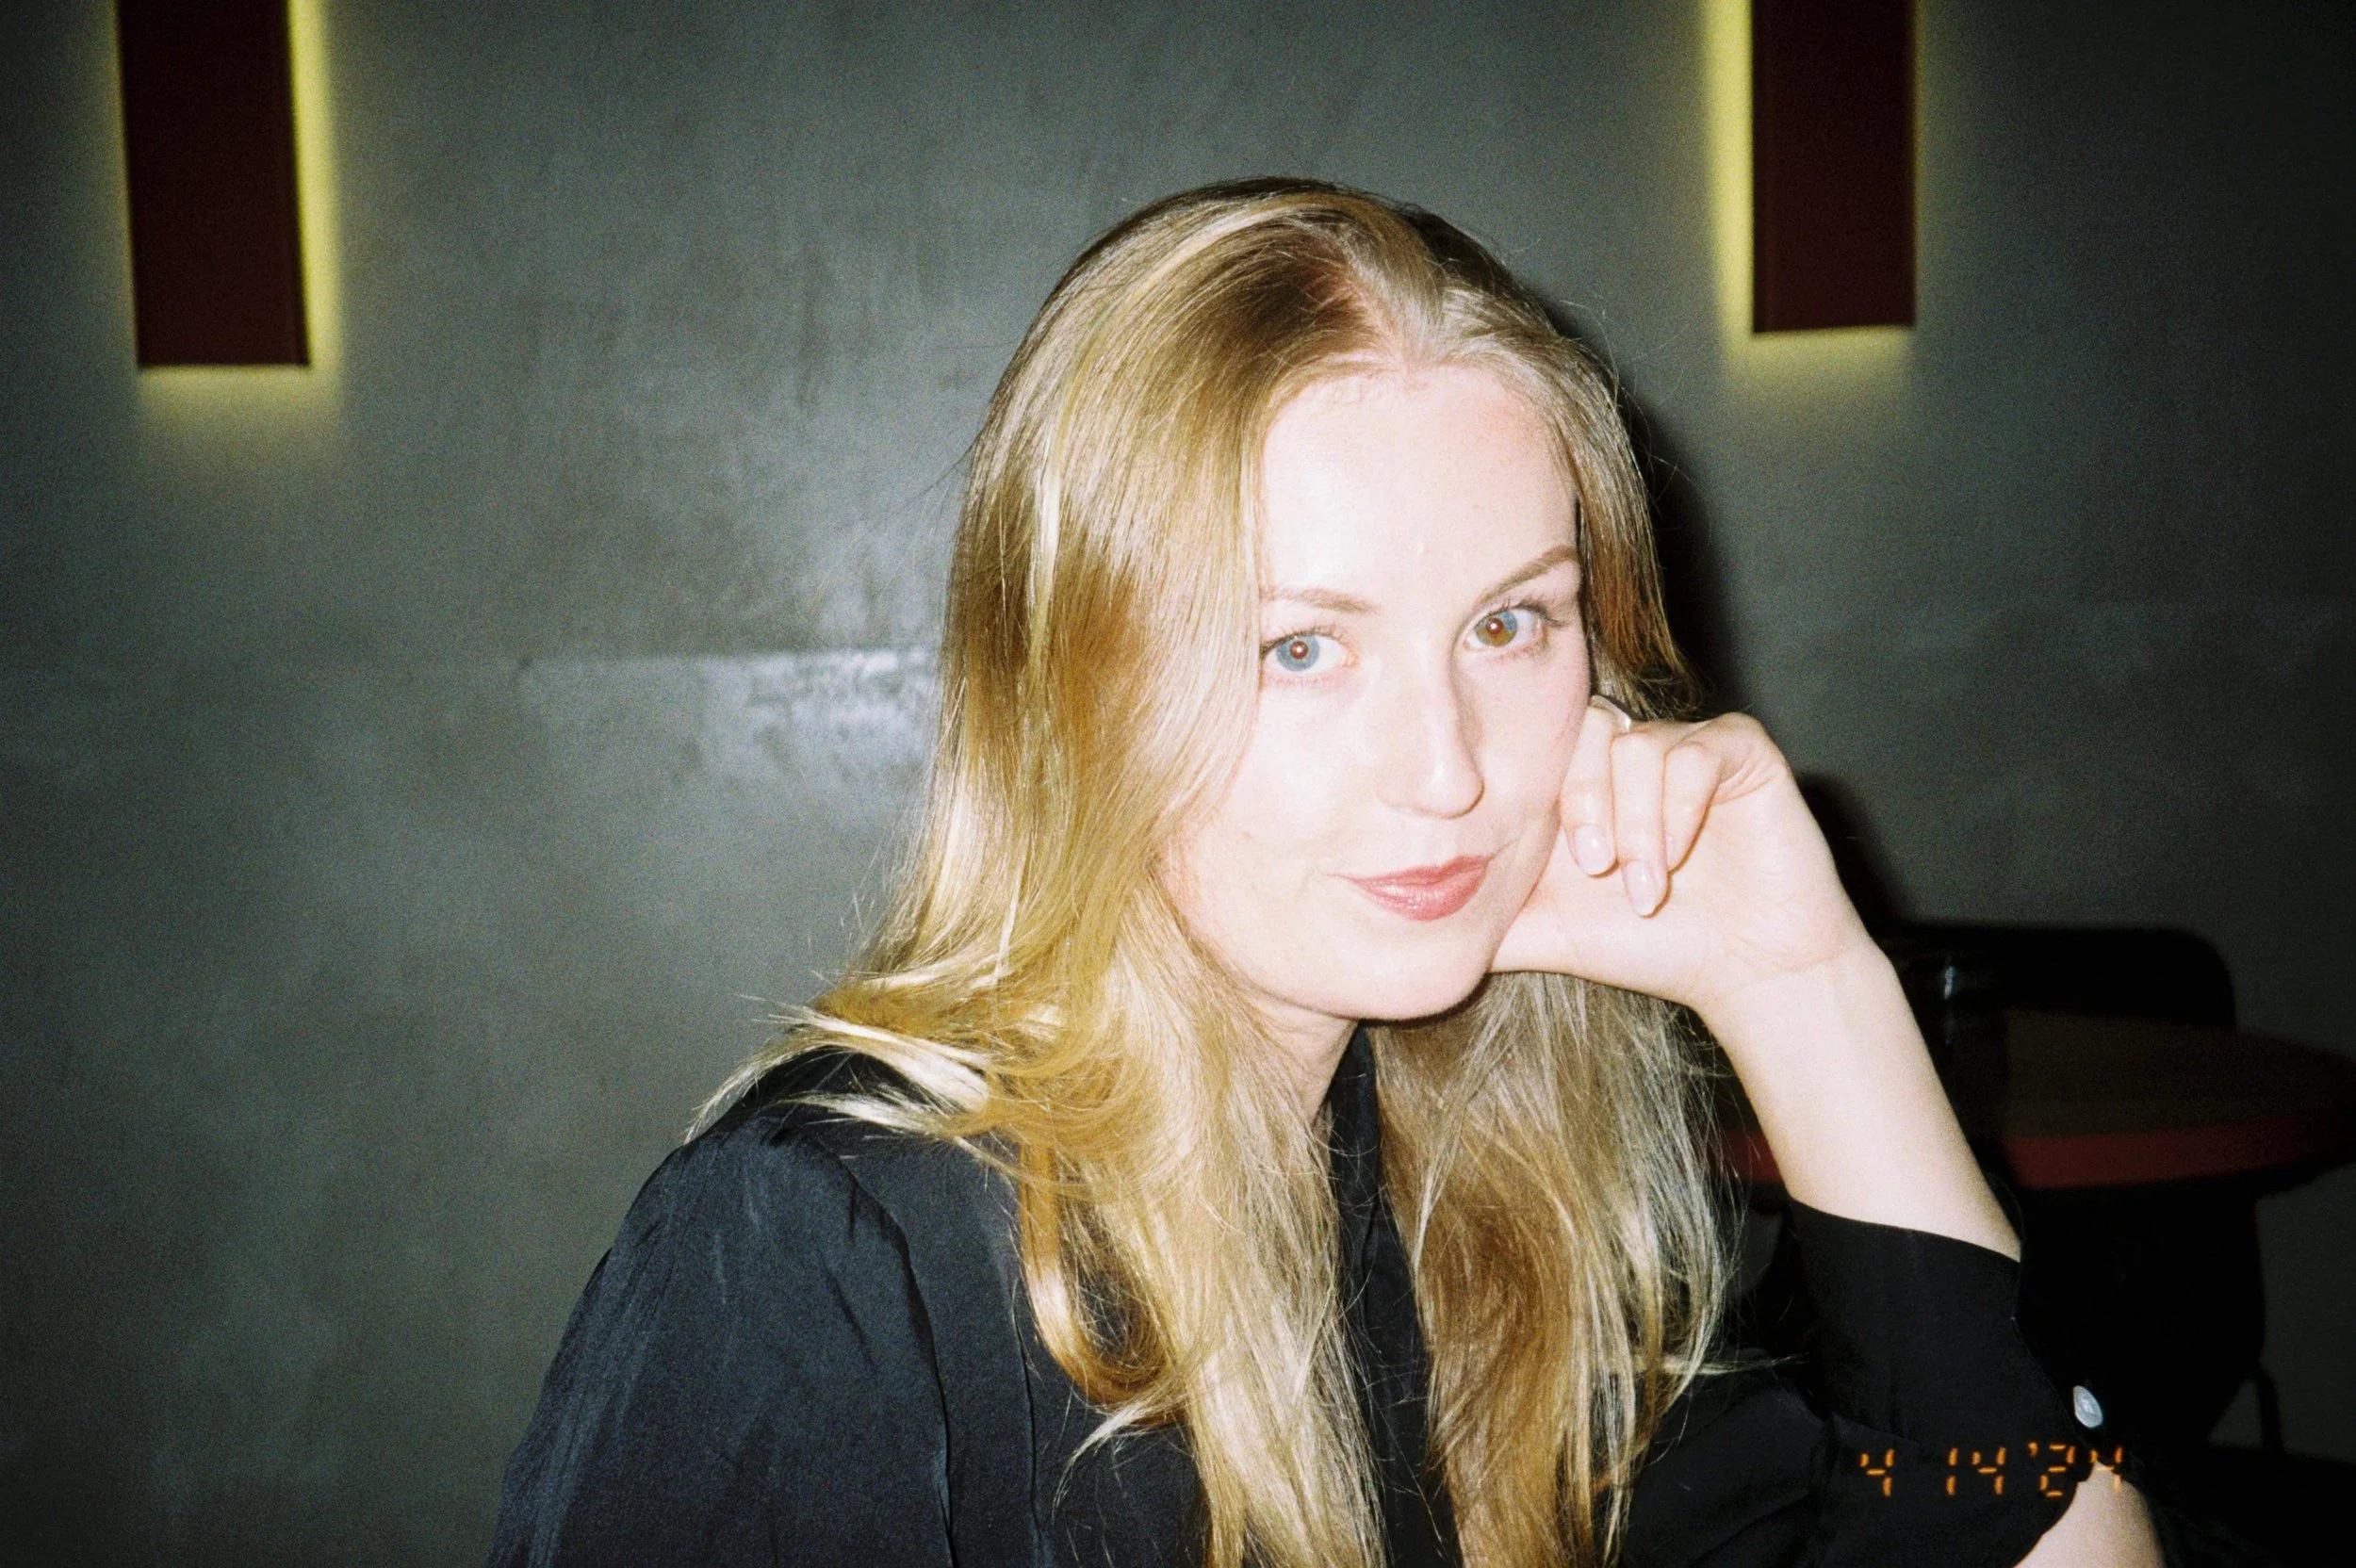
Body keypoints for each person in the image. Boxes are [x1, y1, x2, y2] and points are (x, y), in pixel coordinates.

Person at [488, 180, 2164, 1567]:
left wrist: (1807, 993)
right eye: (1301, 649)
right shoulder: (826, 1259)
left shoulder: (1468, 1205)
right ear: (1075, 691)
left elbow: (2030, 1538)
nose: (1448, 768)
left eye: (1511, 625)